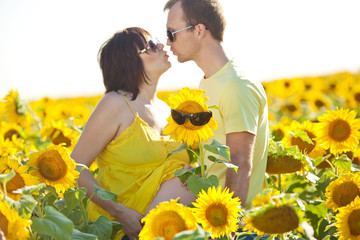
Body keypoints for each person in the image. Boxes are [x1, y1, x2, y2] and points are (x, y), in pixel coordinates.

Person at [71, 27, 195, 240]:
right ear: (128, 62)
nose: (161, 46)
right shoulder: (115, 103)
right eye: (151, 46)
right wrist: (121, 213)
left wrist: (187, 169)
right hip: (125, 227)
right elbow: (75, 167)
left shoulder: (167, 109)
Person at [164, 0, 269, 209]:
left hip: (240, 225)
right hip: (213, 213)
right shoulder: (209, 81)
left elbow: (239, 162)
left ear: (199, 30)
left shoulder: (235, 85)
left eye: (171, 33)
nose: (168, 43)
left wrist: (226, 228)